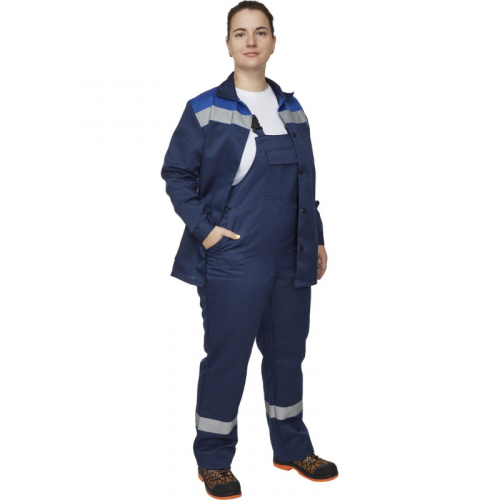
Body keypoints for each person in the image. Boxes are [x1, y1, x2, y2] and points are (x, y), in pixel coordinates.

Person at [161, 2, 338, 498]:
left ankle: (292, 446)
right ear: (228, 44)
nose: (251, 41)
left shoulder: (292, 109)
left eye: (261, 32)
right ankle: (214, 459)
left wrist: (316, 237)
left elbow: (307, 183)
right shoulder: (205, 108)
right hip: (234, 257)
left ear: (273, 41)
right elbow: (176, 174)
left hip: (290, 255)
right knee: (227, 358)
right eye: (241, 33)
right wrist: (205, 231)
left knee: (287, 355)